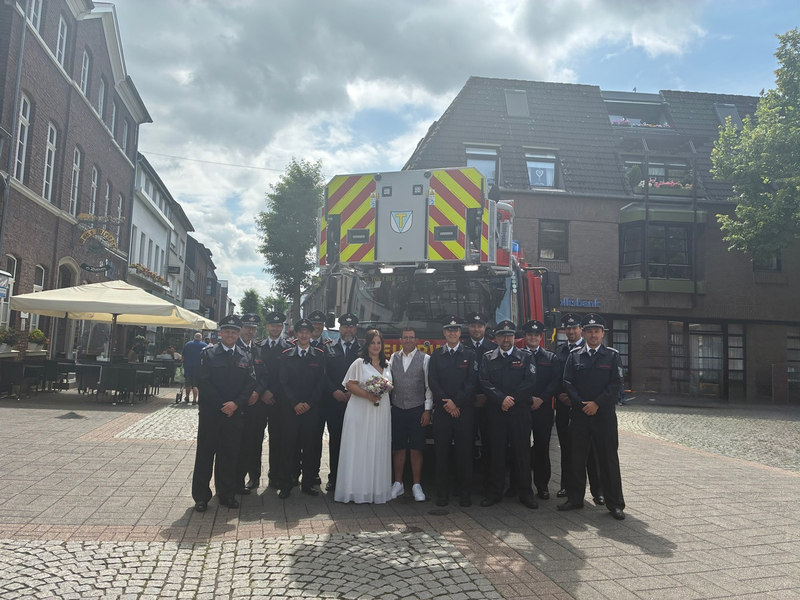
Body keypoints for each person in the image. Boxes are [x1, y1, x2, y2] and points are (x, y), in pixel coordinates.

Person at [558, 313, 626, 520]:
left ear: (603, 334)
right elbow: (568, 382)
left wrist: (596, 403)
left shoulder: (612, 356)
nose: (593, 335)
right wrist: (581, 404)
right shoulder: (575, 356)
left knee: (608, 459)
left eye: (597, 331)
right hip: (580, 415)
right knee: (576, 458)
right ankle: (575, 498)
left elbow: (616, 384)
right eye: (589, 331)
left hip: (603, 415)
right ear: (584, 333)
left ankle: (615, 503)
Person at [191, 315, 255, 512]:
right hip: (211, 414)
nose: (230, 335)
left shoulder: (245, 356)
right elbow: (203, 381)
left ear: (238, 334)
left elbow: (250, 383)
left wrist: (235, 404)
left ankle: (226, 494)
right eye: (227, 331)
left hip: (233, 415)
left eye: (234, 332)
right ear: (221, 333)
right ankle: (201, 497)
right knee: (205, 455)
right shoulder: (208, 354)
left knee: (229, 456)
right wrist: (222, 404)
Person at [478, 320, 538, 509]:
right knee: (496, 453)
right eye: (502, 335)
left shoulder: (525, 356)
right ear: (495, 338)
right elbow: (484, 382)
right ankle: (494, 493)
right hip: (496, 413)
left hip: (519, 412)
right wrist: (501, 399)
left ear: (514, 337)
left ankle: (526, 493)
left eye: (509, 335)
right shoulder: (488, 358)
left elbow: (530, 381)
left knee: (522, 453)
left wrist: (511, 399)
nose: (506, 338)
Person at [335, 329, 393, 504]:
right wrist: (367, 394)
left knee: (377, 445)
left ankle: (375, 490)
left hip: (380, 409)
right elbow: (350, 385)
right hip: (360, 409)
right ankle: (356, 490)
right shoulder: (359, 363)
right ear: (366, 345)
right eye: (372, 342)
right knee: (359, 447)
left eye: (379, 342)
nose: (376, 346)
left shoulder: (388, 364)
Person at [553, 313, 604, 505]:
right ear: (565, 330)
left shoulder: (589, 349)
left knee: (592, 450)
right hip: (564, 406)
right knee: (567, 447)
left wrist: (578, 400)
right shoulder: (559, 352)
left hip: (584, 406)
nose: (571, 331)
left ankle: (597, 490)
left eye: (575, 328)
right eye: (568, 328)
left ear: (581, 330)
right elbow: (555, 377)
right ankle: (567, 484)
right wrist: (559, 394)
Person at [429, 316, 478, 507]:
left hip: (463, 411)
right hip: (443, 412)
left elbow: (471, 382)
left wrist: (456, 403)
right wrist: (447, 403)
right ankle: (442, 493)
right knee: (441, 453)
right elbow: (432, 381)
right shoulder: (436, 355)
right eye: (449, 330)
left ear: (459, 333)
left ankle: (464, 493)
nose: (452, 333)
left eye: (455, 330)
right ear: (444, 333)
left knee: (464, 453)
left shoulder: (470, 354)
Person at [277, 318, 327, 499]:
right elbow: (283, 382)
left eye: (308, 332)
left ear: (311, 334)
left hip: (311, 410)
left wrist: (309, 404)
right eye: (301, 332)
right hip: (291, 410)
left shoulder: (319, 355)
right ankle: (286, 484)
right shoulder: (286, 354)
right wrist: (295, 403)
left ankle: (307, 483)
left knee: (309, 448)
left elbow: (321, 383)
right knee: (288, 447)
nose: (304, 335)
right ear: (296, 334)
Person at [388, 326, 433, 502]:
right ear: (400, 340)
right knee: (398, 448)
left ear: (416, 340)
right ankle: (398, 483)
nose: (408, 340)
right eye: (405, 337)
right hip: (398, 408)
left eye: (411, 337)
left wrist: (427, 410)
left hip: (417, 409)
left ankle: (416, 485)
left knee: (416, 449)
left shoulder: (425, 359)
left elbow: (429, 387)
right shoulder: (393, 358)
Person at [521, 320, 561, 500]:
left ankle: (542, 486)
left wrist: (541, 399)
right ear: (525, 336)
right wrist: (529, 399)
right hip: (522, 407)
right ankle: (520, 485)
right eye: (530, 334)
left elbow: (555, 381)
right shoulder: (518, 356)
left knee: (542, 448)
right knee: (520, 448)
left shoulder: (550, 358)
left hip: (543, 409)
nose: (533, 337)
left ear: (540, 337)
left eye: (536, 335)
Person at [322, 313, 362, 492]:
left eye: (351, 326)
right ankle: (334, 477)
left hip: (357, 401)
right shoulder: (328, 347)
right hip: (334, 402)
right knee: (336, 440)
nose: (348, 329)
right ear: (340, 328)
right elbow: (323, 374)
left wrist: (354, 392)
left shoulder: (364, 349)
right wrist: (334, 390)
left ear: (355, 328)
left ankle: (354, 478)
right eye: (345, 326)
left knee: (356, 441)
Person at [254, 311, 292, 490]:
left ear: (282, 327)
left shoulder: (288, 347)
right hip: (259, 400)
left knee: (278, 440)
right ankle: (253, 477)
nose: (275, 328)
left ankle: (275, 475)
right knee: (254, 440)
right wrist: (262, 392)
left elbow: (287, 376)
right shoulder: (258, 347)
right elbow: (254, 373)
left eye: (279, 325)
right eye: (272, 325)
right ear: (267, 327)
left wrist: (272, 392)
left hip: (279, 401)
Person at [235, 313, 269, 495]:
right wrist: (247, 394)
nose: (250, 331)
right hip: (240, 405)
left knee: (255, 441)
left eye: (253, 328)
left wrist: (258, 392)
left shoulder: (258, 349)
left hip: (256, 404)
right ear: (241, 328)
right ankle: (237, 480)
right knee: (239, 443)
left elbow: (264, 375)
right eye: (247, 327)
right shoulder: (235, 347)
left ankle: (254, 477)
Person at [462, 311, 497, 489]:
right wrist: (472, 396)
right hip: (467, 404)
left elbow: (496, 377)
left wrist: (485, 395)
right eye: (473, 326)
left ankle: (489, 484)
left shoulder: (493, 348)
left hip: (489, 404)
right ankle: (466, 485)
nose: (476, 329)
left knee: (490, 445)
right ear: (469, 327)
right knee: (466, 445)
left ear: (485, 327)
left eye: (480, 326)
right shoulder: (463, 347)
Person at [182, 332, 208, 405]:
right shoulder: (204, 346)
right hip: (199, 368)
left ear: (194, 337)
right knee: (196, 385)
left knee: (188, 384)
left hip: (188, 367)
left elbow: (183, 356)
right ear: (201, 338)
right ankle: (194, 399)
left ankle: (187, 397)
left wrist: (184, 363)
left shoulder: (188, 344)